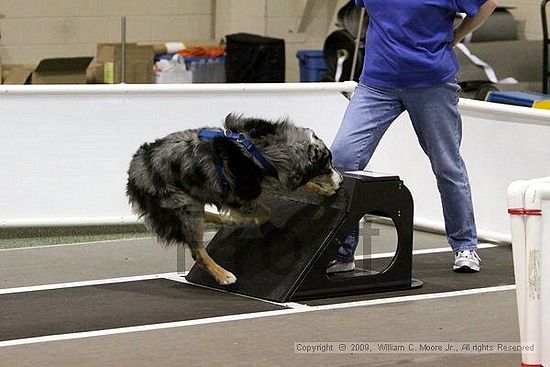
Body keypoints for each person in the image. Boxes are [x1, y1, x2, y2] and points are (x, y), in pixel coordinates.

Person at [328, 0, 497, 273]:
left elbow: (488, 3)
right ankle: (343, 253)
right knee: (342, 157)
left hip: (432, 83)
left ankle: (465, 245)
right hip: (376, 84)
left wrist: (458, 35)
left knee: (446, 165)